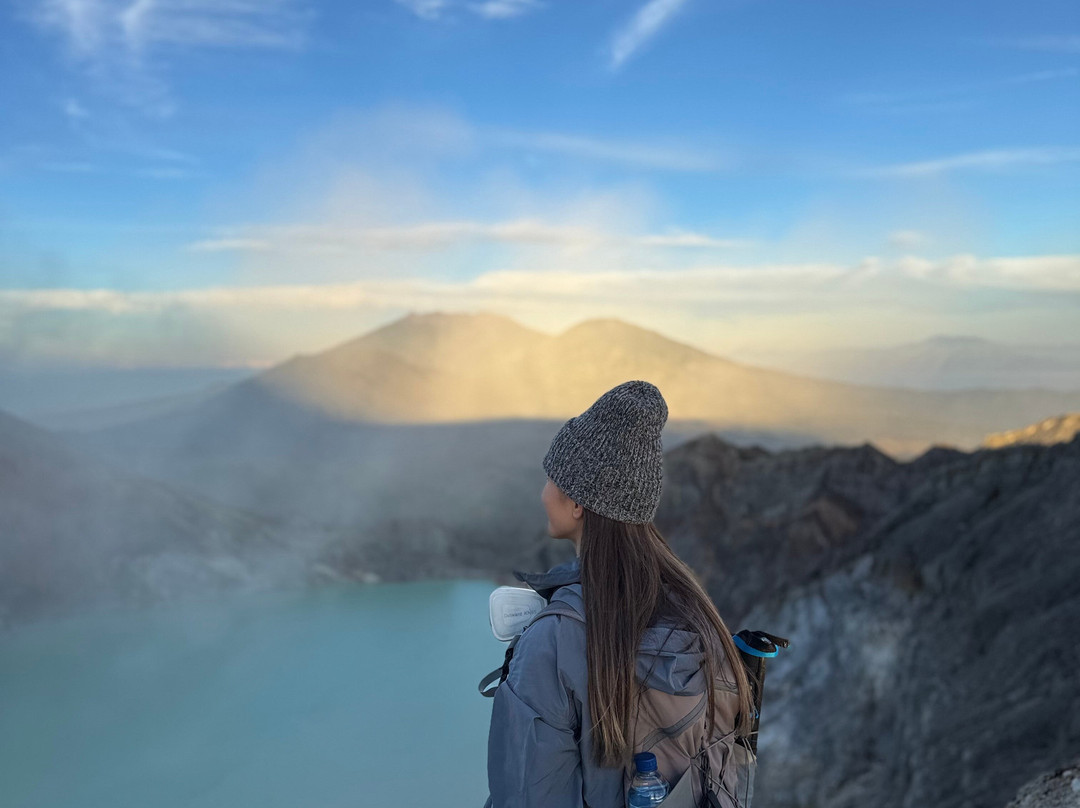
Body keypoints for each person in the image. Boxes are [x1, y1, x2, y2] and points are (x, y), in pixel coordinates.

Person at [484, 380, 755, 808]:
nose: (542, 493)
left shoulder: (553, 640)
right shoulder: (699, 617)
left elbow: (527, 794)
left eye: (550, 479)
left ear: (577, 502)